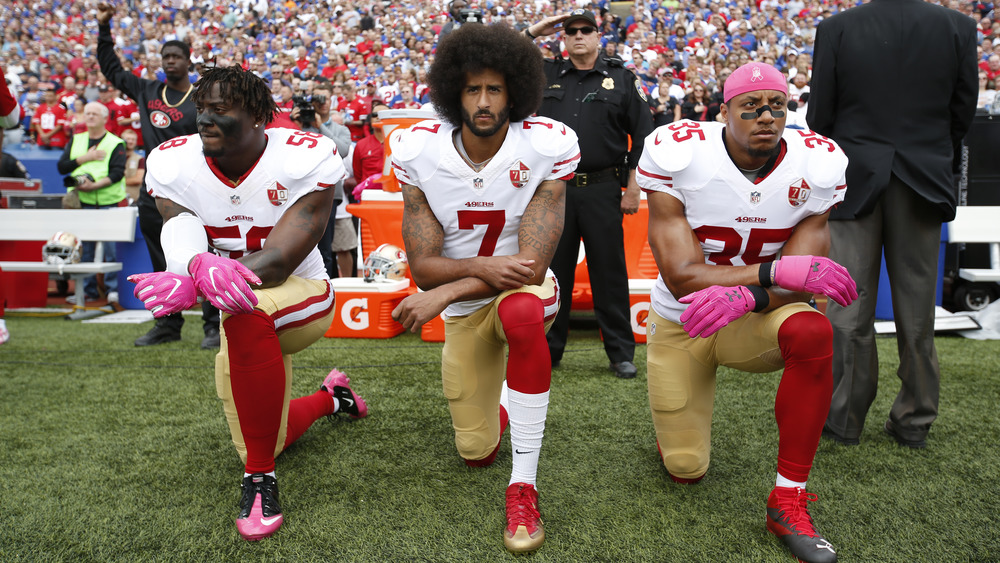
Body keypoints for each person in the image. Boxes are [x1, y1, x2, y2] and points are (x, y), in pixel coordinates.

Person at [128, 64, 368, 541]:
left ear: (259, 116)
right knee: (267, 436)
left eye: (221, 109)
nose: (204, 119)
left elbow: (278, 261)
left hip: (303, 296)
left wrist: (197, 281)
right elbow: (180, 226)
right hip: (236, 303)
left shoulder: (303, 155)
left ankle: (260, 481)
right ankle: (331, 399)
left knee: (244, 312)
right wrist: (186, 266)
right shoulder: (175, 162)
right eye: (202, 109)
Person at [636, 62, 857, 563]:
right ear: (723, 112)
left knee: (812, 328)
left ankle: (788, 498)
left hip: (755, 319)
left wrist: (753, 296)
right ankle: (675, 429)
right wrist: (764, 277)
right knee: (685, 468)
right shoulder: (682, 153)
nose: (766, 116)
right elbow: (683, 276)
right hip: (684, 321)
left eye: (777, 105)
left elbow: (804, 280)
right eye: (751, 106)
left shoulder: (816, 163)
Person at [389, 24, 579, 553]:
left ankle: (524, 485)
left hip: (521, 291)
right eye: (473, 89)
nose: (484, 100)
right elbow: (424, 267)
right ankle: (499, 408)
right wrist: (464, 281)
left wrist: (446, 291)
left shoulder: (546, 145)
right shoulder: (417, 151)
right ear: (454, 92)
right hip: (466, 309)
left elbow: (532, 265)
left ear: (514, 92)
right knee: (474, 452)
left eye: (495, 89)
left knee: (521, 313)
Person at [807, 0, 978, 449]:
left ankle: (844, 418)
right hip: (923, 176)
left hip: (857, 174)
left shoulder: (837, 27)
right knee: (917, 307)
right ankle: (914, 421)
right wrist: (927, 151)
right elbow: (963, 110)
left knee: (849, 304)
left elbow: (819, 114)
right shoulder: (958, 26)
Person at [524, 9, 654, 379]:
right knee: (551, 271)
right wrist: (537, 30)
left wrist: (632, 188)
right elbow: (507, 50)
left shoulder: (622, 79)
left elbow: (643, 135)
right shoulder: (545, 74)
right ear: (562, 39)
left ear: (599, 37)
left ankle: (619, 352)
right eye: (571, 31)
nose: (579, 36)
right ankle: (549, 348)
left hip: (602, 188)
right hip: (553, 190)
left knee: (609, 272)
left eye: (586, 30)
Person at [96, 2, 221, 349]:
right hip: (155, 187)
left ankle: (213, 324)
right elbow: (111, 70)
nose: (169, 61)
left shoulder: (201, 96)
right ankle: (166, 323)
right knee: (160, 253)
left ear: (188, 61)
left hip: (195, 185)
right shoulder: (148, 91)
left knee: (205, 251)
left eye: (176, 56)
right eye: (165, 56)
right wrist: (104, 28)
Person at [56, 102, 127, 304]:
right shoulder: (76, 140)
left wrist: (93, 186)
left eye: (95, 113)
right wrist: (84, 159)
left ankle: (113, 290)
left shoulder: (115, 142)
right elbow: (62, 167)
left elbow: (116, 173)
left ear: (105, 118)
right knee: (83, 249)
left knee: (112, 250)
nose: (90, 117)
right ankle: (88, 291)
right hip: (82, 203)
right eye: (87, 113)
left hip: (108, 202)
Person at [121, 128, 145, 203]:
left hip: (134, 199)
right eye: (128, 139)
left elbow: (138, 179)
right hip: (115, 199)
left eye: (133, 139)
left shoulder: (140, 159)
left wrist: (115, 181)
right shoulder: (115, 157)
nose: (130, 141)